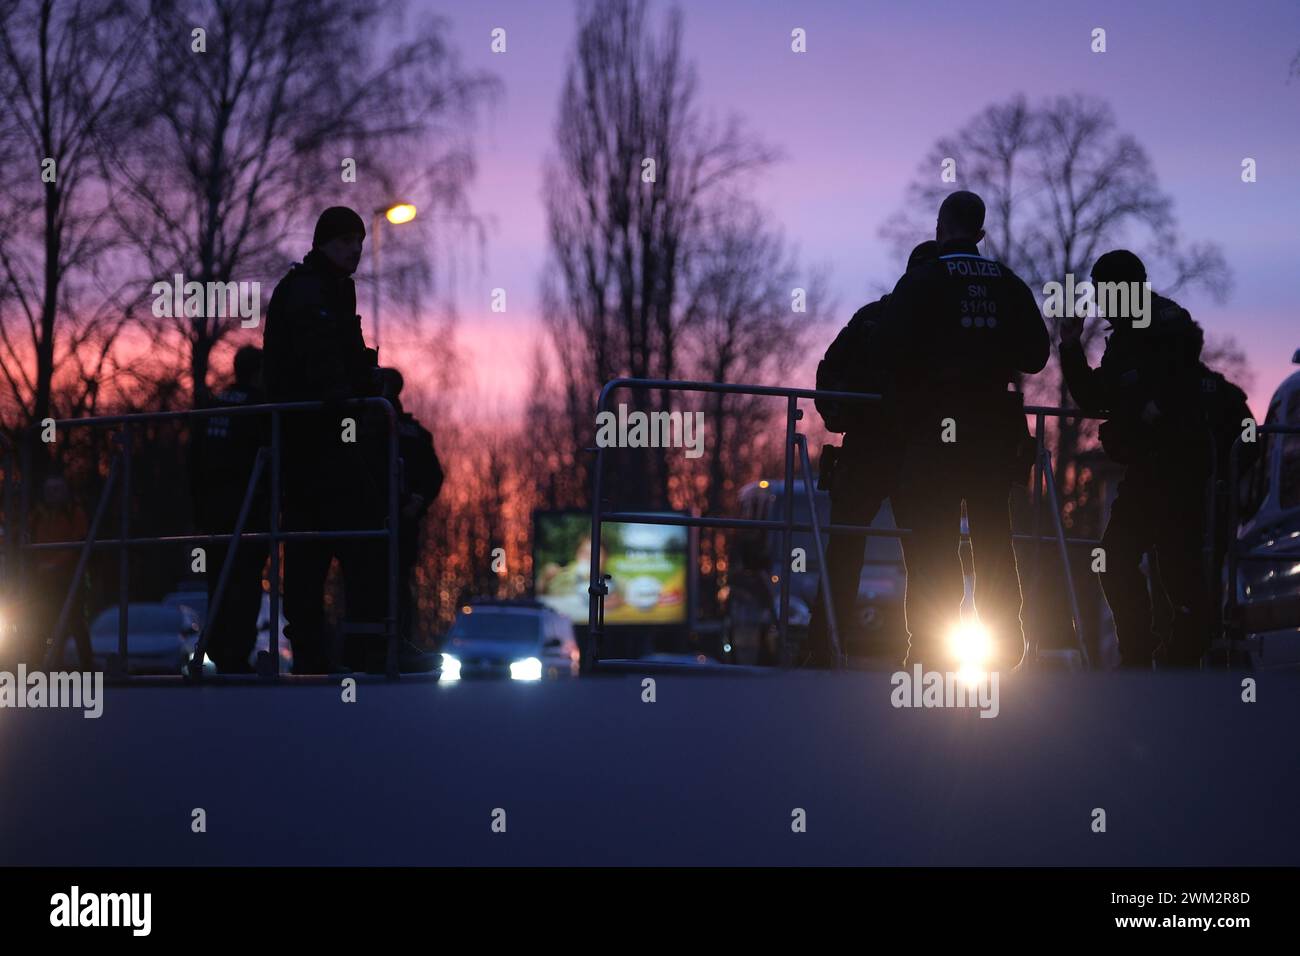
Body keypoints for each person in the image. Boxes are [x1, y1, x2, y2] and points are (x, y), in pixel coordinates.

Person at [870, 190, 1049, 672]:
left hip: (935, 431)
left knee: (934, 538)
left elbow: (885, 348)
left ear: (938, 229)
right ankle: (1007, 644)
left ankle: (931, 650)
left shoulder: (924, 280)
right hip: (993, 429)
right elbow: (1036, 354)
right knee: (995, 534)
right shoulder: (1008, 284)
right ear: (982, 233)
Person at [1059, 249, 1243, 668]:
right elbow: (1094, 397)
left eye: (1106, 291)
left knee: (1176, 567)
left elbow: (1177, 379)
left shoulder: (1165, 322)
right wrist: (1070, 346)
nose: (1101, 301)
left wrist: (1148, 404)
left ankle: (1184, 655)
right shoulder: (1125, 337)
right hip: (1146, 470)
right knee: (1116, 558)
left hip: (1179, 468)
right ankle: (1141, 654)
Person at [804, 239, 937, 668]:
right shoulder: (934, 325)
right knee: (926, 554)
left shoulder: (873, 317)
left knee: (848, 549)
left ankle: (823, 648)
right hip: (913, 453)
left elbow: (828, 373)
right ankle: (927, 655)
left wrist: (841, 413)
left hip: (873, 448)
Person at [262, 206, 384, 674]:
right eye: (345, 240)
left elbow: (344, 357)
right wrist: (353, 399)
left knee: (319, 546)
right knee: (361, 535)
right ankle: (363, 646)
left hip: (315, 440)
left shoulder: (330, 289)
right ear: (324, 243)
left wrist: (365, 383)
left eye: (359, 240)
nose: (355, 249)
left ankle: (334, 649)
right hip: (313, 441)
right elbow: (322, 366)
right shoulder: (310, 291)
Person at [188, 345, 269, 674]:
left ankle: (219, 648)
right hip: (246, 510)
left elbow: (193, 458)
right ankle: (237, 652)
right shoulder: (260, 406)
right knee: (246, 581)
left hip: (212, 511)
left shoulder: (212, 405)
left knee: (217, 579)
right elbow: (266, 456)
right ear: (259, 372)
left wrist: (197, 508)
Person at [358, 367, 443, 669]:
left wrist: (411, 504)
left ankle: (379, 647)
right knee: (395, 583)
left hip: (382, 520)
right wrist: (416, 503)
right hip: (395, 519)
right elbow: (433, 476)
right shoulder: (409, 430)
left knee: (374, 583)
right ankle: (392, 645)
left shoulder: (375, 425)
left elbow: (431, 476)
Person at [28, 473, 92, 669]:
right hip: (44, 581)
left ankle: (87, 667)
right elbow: (27, 539)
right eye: (49, 490)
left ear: (65, 492)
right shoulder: (37, 515)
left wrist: (54, 564)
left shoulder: (75, 513)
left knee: (76, 622)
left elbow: (78, 544)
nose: (52, 494)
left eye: (57, 489)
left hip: (69, 578)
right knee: (41, 622)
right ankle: (37, 667)